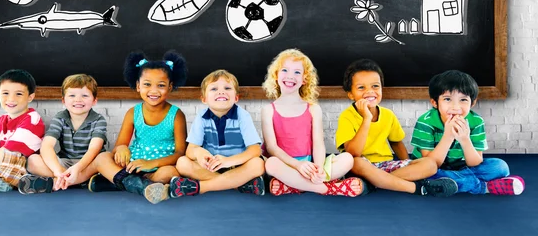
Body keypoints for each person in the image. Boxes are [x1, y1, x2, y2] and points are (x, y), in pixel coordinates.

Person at [335, 59, 457, 197]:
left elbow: (396, 143)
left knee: (430, 164)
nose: (370, 91)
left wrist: (408, 164)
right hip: (362, 166)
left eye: (375, 86)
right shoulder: (347, 116)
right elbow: (353, 152)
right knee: (356, 162)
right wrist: (366, 119)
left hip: (386, 165)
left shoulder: (388, 115)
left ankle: (375, 183)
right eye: (361, 88)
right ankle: (415, 188)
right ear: (350, 94)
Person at [87, 50, 188, 204]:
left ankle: (122, 183)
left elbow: (181, 153)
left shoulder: (177, 115)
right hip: (133, 164)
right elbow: (119, 146)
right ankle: (142, 187)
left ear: (170, 87)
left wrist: (151, 164)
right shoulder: (133, 112)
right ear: (138, 86)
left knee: (171, 173)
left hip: (160, 166)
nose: (153, 90)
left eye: (161, 85)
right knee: (103, 157)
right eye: (147, 84)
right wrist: (121, 148)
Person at [262, 49, 366, 196]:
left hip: (310, 165)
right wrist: (298, 165)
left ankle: (294, 186)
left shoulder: (313, 109)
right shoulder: (268, 110)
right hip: (285, 165)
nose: (290, 76)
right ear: (276, 75)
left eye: (297, 72)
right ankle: (328, 189)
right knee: (270, 164)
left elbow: (318, 143)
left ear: (305, 79)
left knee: (347, 159)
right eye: (285, 70)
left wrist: (318, 169)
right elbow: (272, 148)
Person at [411, 70, 525, 195]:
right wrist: (448, 137)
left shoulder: (476, 122)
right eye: (447, 99)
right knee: (422, 173)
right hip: (431, 168)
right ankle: (483, 187)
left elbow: (475, 162)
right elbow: (431, 163)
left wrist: (465, 140)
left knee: (500, 167)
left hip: (461, 167)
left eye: (463, 100)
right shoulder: (426, 122)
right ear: (435, 103)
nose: (456, 107)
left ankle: (448, 183)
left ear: (473, 103)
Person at [170, 69, 265, 197]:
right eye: (214, 89)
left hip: (237, 165)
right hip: (211, 167)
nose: (221, 91)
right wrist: (199, 153)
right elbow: (190, 150)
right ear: (204, 99)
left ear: (236, 98)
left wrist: (229, 161)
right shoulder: (201, 117)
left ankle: (202, 187)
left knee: (258, 164)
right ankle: (239, 185)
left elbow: (255, 150)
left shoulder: (243, 116)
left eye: (227, 88)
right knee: (182, 163)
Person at [16, 73, 107, 194]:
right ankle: (72, 180)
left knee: (105, 159)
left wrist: (78, 168)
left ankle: (56, 182)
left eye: (84, 95)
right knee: (32, 160)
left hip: (88, 163)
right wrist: (58, 170)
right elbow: (47, 146)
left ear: (94, 100)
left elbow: (94, 149)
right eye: (72, 95)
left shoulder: (99, 120)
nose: (78, 100)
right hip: (66, 162)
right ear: (63, 100)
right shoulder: (60, 118)